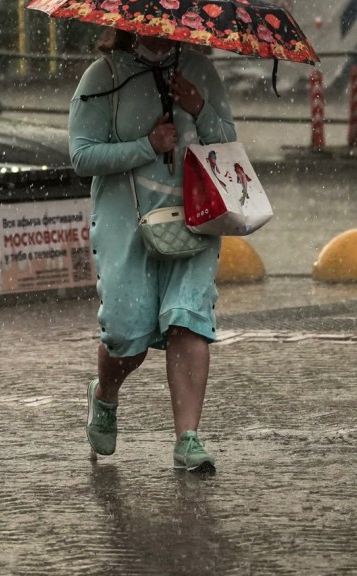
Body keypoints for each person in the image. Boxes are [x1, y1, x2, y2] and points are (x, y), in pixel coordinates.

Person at [68, 27, 236, 473]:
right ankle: (105, 395)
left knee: (188, 320)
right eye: (150, 27)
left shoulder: (200, 69)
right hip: (127, 223)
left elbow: (228, 145)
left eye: (168, 27)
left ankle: (188, 439)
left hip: (196, 219)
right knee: (127, 337)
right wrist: (147, 146)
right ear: (131, 24)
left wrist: (199, 109)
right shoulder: (102, 77)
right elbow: (82, 156)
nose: (160, 35)